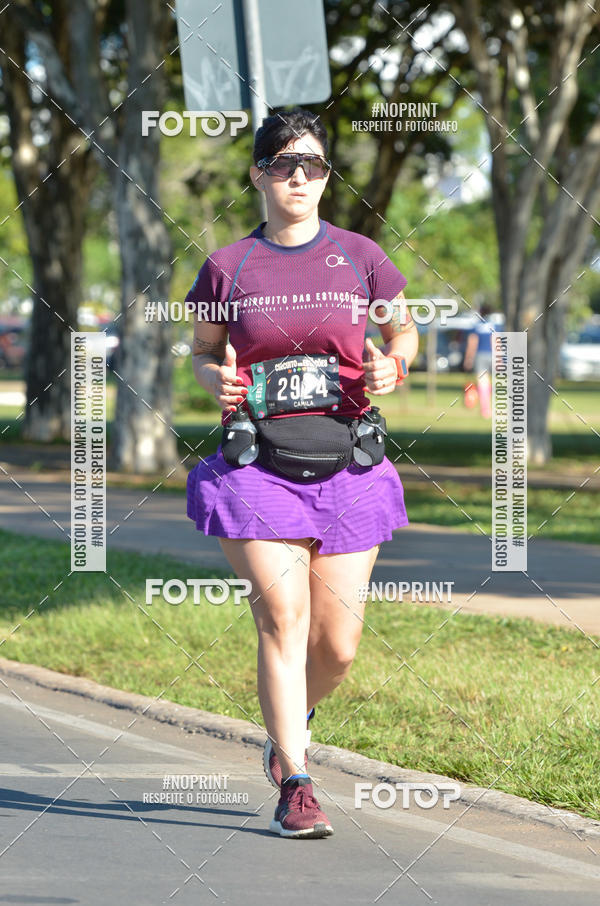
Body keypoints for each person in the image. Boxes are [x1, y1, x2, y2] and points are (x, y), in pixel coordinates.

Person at [185, 108, 418, 838]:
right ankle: (298, 778)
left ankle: (292, 722)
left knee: (338, 647)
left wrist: (396, 362)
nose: (298, 175)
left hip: (348, 461)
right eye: (283, 163)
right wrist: (209, 380)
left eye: (312, 164)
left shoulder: (360, 256)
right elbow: (202, 349)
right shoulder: (230, 265)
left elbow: (402, 329)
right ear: (257, 173)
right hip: (257, 465)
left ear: (325, 175)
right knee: (282, 621)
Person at [463, 304, 496, 418]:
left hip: (480, 355)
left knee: (483, 382)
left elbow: (472, 343)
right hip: (492, 355)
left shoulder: (476, 326)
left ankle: (485, 409)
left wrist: (468, 358)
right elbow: (496, 342)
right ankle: (491, 408)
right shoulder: (494, 326)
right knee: (491, 383)